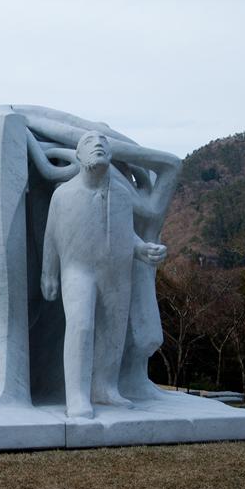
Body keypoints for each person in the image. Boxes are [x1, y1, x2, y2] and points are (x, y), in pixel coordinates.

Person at [41, 131, 166, 418]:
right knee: (81, 326)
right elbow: (51, 237)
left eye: (103, 144)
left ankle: (105, 388)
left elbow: (127, 233)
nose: (97, 145)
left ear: (109, 156)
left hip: (117, 273)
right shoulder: (64, 194)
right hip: (78, 270)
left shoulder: (122, 195)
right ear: (79, 156)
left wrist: (143, 249)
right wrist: (49, 273)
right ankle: (77, 395)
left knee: (113, 331)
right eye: (88, 143)